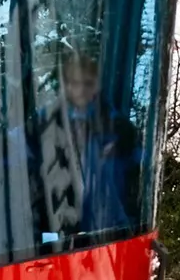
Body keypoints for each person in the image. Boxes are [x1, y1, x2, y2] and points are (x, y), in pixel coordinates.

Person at [32, 52, 140, 238]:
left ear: (97, 84)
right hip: (58, 226)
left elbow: (140, 168)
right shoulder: (44, 121)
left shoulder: (119, 127)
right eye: (74, 83)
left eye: (88, 83)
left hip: (107, 226)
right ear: (65, 85)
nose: (81, 90)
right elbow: (13, 146)